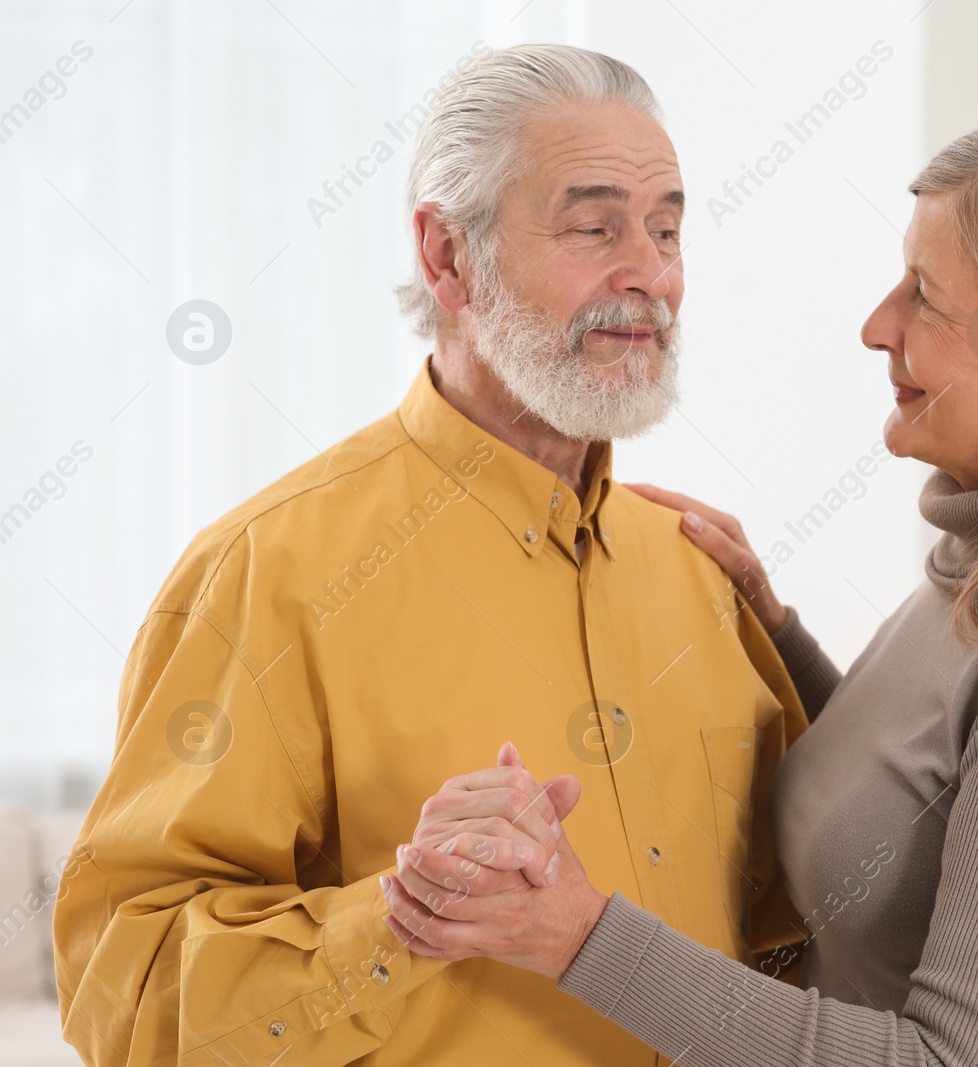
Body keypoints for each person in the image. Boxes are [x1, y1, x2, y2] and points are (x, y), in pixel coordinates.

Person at [381, 115, 978, 1067]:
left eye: (928, 297)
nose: (878, 326)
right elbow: (942, 799)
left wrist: (580, 937)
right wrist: (776, 628)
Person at [53, 45, 808, 1066]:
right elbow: (126, 1002)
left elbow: (799, 949)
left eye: (667, 229)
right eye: (594, 227)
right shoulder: (264, 571)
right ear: (449, 257)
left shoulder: (700, 573)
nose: (650, 275)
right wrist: (402, 916)